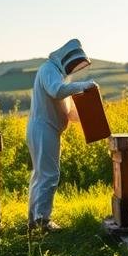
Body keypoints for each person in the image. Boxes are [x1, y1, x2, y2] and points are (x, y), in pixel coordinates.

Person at [27, 38, 96, 231]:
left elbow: (69, 113)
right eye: (73, 64)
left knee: (41, 175)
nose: (74, 68)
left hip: (47, 129)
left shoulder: (60, 77)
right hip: (43, 128)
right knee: (48, 175)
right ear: (66, 58)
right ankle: (42, 220)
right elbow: (56, 91)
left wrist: (92, 112)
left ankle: (34, 219)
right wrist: (84, 86)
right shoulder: (49, 69)